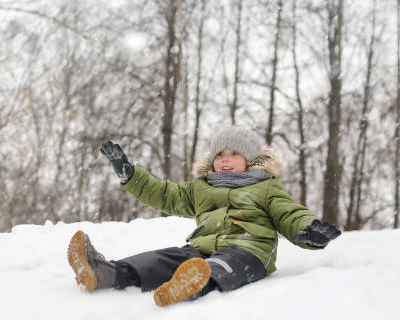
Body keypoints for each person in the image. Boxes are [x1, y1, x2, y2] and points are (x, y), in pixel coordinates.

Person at [67, 125, 341, 307]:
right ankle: (107, 273)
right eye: (220, 154)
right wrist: (130, 175)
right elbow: (164, 195)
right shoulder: (202, 188)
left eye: (234, 154)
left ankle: (193, 285)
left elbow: (289, 213)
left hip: (250, 251)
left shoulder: (266, 187)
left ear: (251, 160)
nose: (225, 159)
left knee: (225, 263)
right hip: (202, 249)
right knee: (165, 258)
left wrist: (308, 229)